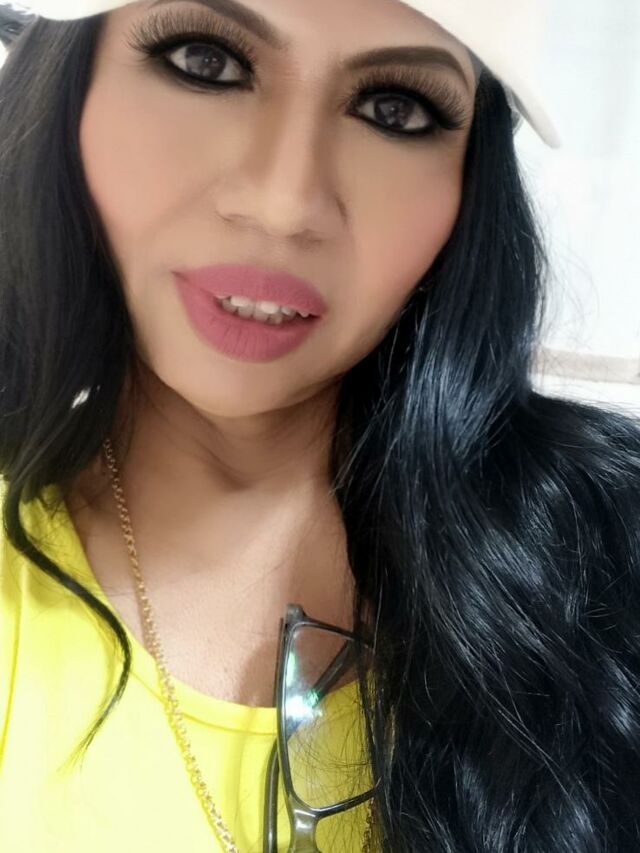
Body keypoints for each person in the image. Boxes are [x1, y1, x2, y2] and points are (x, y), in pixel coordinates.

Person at [1, 0, 638, 851]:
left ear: (471, 183)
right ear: (70, 85)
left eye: (394, 109)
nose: (283, 204)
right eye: (205, 62)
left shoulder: (608, 557)